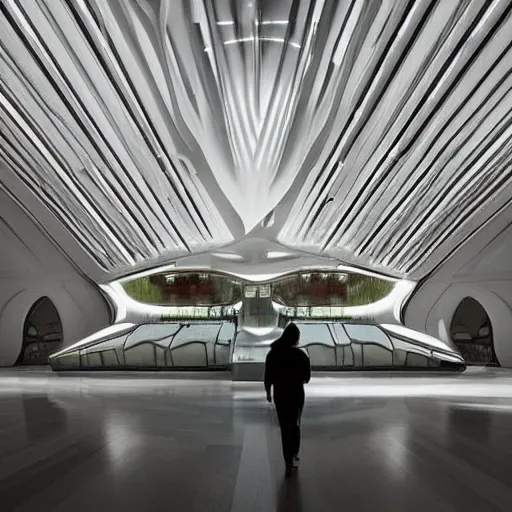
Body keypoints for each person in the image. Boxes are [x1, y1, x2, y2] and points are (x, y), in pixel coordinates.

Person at [264, 322, 311, 478]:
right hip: (296, 394)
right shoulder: (300, 355)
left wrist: (268, 392)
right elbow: (307, 378)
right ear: (295, 338)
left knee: (285, 427)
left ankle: (287, 462)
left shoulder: (273, 353)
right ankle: (295, 454)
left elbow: (268, 375)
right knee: (295, 424)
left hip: (280, 394)